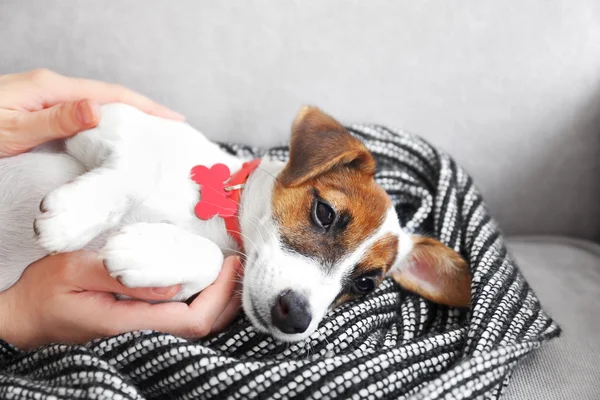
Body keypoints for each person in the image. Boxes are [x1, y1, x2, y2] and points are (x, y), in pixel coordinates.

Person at [0, 69, 243, 350]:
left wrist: (16, 313)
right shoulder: (195, 148)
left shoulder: (211, 271)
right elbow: (101, 124)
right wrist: (120, 187)